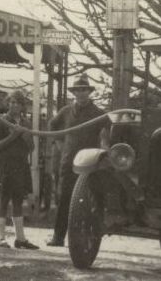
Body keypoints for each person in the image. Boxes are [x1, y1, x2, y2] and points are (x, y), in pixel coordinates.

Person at [47, 75, 111, 247]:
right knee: (64, 199)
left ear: (89, 92)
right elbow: (52, 126)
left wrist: (105, 148)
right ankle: (58, 237)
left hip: (90, 165)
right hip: (69, 163)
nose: (81, 93)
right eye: (77, 90)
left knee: (93, 200)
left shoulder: (99, 114)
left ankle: (91, 237)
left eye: (84, 90)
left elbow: (106, 134)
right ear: (74, 93)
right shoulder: (66, 111)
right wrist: (59, 144)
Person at [0, 90, 38, 249]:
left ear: (22, 105)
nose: (15, 105)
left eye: (18, 103)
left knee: (18, 200)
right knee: (4, 199)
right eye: (12, 102)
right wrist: (13, 136)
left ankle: (20, 239)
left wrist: (25, 137)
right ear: (8, 104)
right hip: (6, 164)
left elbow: (32, 147)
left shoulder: (26, 123)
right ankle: (0, 238)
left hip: (21, 164)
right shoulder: (2, 121)